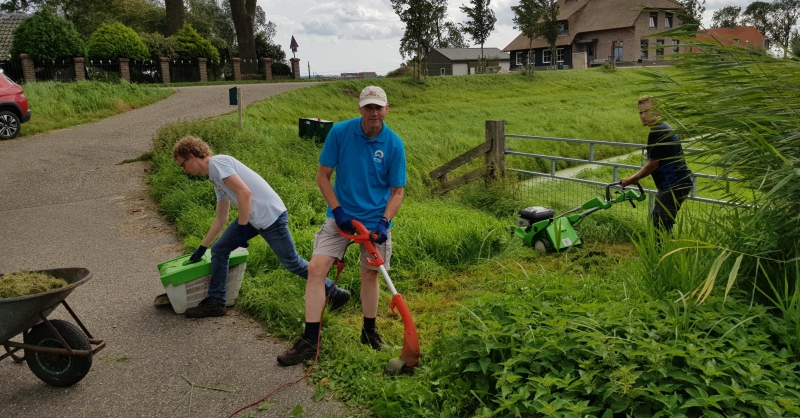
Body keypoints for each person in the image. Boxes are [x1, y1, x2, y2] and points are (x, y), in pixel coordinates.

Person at [277, 86, 406, 366]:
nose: (373, 112)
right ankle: (310, 340)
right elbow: (323, 176)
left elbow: (397, 192)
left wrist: (384, 222)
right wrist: (338, 210)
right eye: (368, 107)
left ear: (386, 110)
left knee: (370, 275)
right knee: (315, 269)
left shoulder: (394, 144)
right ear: (360, 108)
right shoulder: (340, 133)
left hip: (375, 224)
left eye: (378, 107)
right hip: (341, 218)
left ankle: (369, 332)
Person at [172, 136, 350, 318]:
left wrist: (241, 228)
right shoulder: (215, 176)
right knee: (220, 249)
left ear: (192, 156)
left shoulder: (218, 163)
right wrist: (203, 247)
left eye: (182, 165)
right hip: (252, 217)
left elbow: (244, 193)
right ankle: (216, 302)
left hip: (270, 217)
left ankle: (336, 293)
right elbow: (221, 217)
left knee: (292, 263)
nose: (184, 170)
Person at [621, 95, 693, 233]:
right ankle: (665, 251)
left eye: (646, 111)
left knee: (658, 225)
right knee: (662, 224)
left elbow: (653, 164)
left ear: (657, 111)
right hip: (680, 182)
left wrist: (632, 179)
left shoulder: (658, 131)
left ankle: (660, 253)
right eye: (640, 112)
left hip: (673, 184)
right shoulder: (665, 127)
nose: (643, 116)